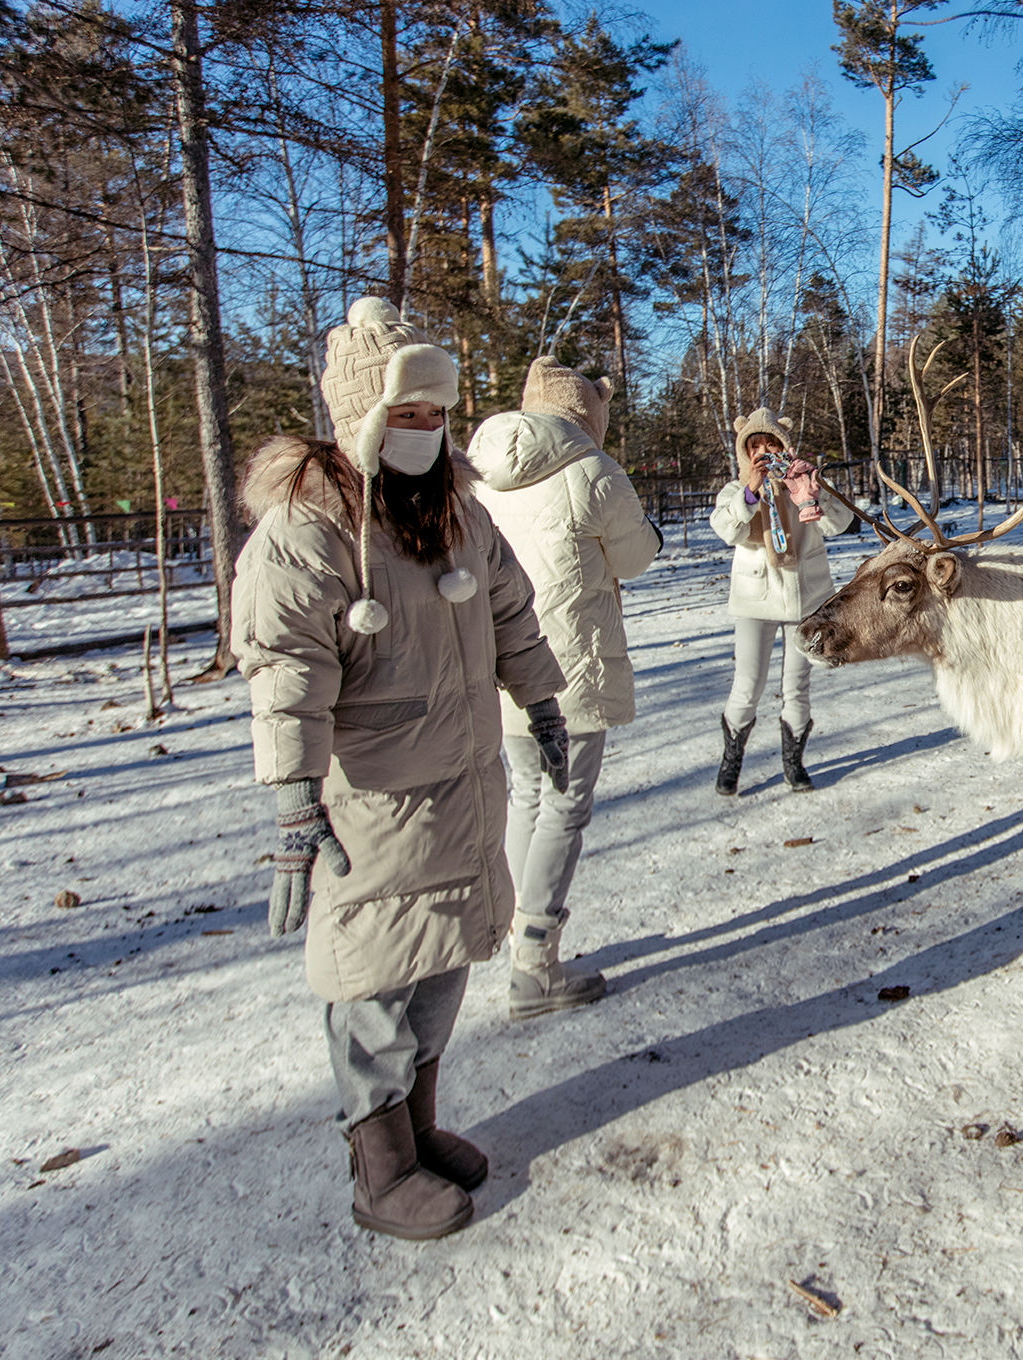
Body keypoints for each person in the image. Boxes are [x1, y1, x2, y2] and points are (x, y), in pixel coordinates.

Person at [231, 297, 566, 1240]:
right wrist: (296, 801)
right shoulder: (308, 532)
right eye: (405, 414)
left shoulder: (458, 510)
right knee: (375, 980)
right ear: (360, 418)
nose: (424, 430)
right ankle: (378, 1171)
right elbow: (285, 675)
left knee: (442, 962)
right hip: (371, 804)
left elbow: (511, 611)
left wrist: (540, 700)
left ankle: (415, 1130)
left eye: (434, 413)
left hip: (460, 786)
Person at [470, 357, 661, 1021]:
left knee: (528, 794)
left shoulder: (481, 471)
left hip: (501, 660)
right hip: (569, 667)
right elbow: (635, 558)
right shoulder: (592, 472)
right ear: (588, 413)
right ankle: (534, 964)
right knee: (564, 804)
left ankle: (520, 933)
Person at [708, 407, 853, 795]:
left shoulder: (803, 481)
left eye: (771, 443)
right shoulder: (735, 492)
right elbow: (726, 529)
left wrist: (813, 492)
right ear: (745, 452)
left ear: (784, 445)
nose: (764, 451)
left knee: (797, 686)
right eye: (755, 445)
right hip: (756, 601)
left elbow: (839, 525)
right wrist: (751, 492)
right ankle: (731, 761)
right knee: (748, 685)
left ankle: (794, 763)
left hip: (806, 599)